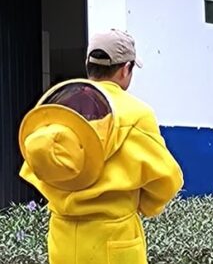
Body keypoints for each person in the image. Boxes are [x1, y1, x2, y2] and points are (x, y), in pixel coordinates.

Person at [18, 29, 183, 264]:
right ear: (126, 69)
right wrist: (144, 206)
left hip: (62, 240)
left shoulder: (60, 106)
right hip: (114, 243)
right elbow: (167, 180)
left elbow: (40, 166)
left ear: (88, 64)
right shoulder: (137, 113)